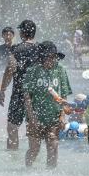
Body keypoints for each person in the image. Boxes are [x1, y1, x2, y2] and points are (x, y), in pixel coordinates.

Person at [22, 41, 71, 169]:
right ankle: (27, 171)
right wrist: (32, 118)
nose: (51, 60)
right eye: (48, 57)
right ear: (41, 58)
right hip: (35, 117)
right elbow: (27, 97)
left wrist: (62, 116)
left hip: (54, 116)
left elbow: (64, 95)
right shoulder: (32, 71)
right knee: (34, 149)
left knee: (53, 146)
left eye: (53, 57)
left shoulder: (60, 69)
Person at [0, 20, 39, 150]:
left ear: (22, 32)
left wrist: (2, 90)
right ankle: (34, 155)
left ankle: (13, 156)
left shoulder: (16, 49)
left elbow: (10, 69)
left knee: (12, 127)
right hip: (37, 94)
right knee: (33, 125)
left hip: (19, 94)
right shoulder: (40, 49)